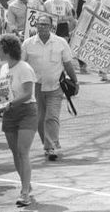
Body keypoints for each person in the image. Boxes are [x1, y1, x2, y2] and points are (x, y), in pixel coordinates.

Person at [22, 15, 79, 161]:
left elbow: (67, 64)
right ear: (36, 26)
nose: (42, 27)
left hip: (55, 86)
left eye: (45, 25)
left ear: (51, 27)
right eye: (40, 24)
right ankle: (48, 143)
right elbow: (21, 65)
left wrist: (75, 81)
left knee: (51, 117)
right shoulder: (28, 44)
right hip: (36, 87)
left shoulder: (60, 43)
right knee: (40, 119)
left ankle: (51, 146)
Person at [0, 34, 37, 206]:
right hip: (10, 112)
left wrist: (10, 102)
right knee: (15, 152)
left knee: (22, 151)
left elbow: (27, 93)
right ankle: (26, 184)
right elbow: (3, 89)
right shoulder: (4, 68)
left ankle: (24, 192)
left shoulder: (24, 67)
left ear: (7, 50)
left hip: (26, 111)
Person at [69, 0, 94, 74]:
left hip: (91, 16)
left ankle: (84, 62)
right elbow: (72, 1)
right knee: (79, 39)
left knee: (87, 40)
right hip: (79, 16)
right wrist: (74, 16)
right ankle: (80, 63)